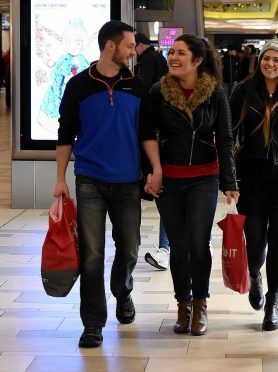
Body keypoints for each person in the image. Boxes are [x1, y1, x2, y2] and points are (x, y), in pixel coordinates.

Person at [54, 20, 161, 348]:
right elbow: (65, 133)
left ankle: (122, 292)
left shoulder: (137, 86)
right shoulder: (78, 86)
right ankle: (92, 323)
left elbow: (147, 133)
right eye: (129, 46)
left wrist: (156, 169)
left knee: (129, 250)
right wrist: (60, 179)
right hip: (90, 181)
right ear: (111, 46)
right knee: (91, 254)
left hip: (128, 181)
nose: (133, 51)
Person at [143, 34, 238, 336]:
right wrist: (153, 171)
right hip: (169, 179)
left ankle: (200, 304)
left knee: (198, 243)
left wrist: (229, 182)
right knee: (179, 246)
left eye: (180, 53)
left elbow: (224, 138)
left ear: (197, 60)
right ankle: (182, 304)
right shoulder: (158, 91)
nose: (173, 58)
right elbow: (146, 133)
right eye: (172, 52)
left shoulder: (215, 93)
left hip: (203, 178)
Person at [230, 39, 278, 331]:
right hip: (252, 176)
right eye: (266, 58)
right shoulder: (243, 91)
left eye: (277, 60)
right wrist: (229, 177)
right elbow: (229, 133)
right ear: (260, 61)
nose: (270, 63)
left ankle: (273, 302)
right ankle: (254, 274)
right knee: (255, 242)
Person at [132, 32, 171, 271]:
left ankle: (186, 246)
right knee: (167, 200)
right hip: (163, 154)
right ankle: (165, 249)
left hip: (194, 167)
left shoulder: (148, 64)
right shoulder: (159, 87)